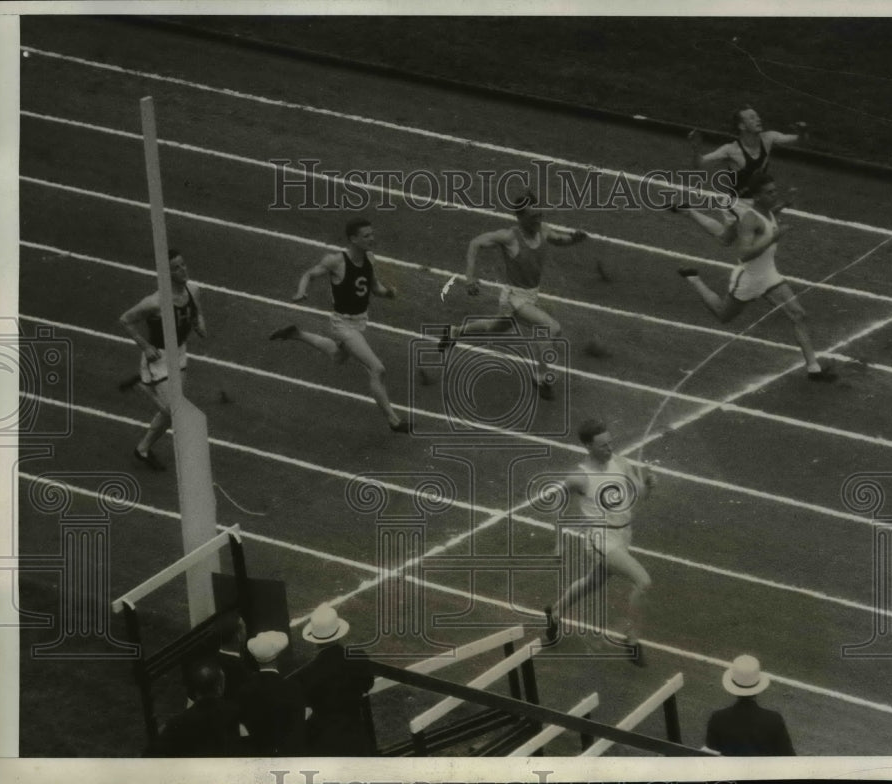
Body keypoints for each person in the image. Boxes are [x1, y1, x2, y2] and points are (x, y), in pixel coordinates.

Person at [677, 174, 836, 381]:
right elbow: (744, 253)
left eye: (775, 191)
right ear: (758, 196)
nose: (774, 195)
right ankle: (694, 279)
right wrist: (773, 238)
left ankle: (813, 369)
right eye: (769, 192)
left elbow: (769, 219)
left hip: (769, 275)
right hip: (749, 279)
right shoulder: (750, 220)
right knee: (723, 315)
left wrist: (784, 205)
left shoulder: (767, 211)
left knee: (798, 315)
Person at [438, 192, 588, 400]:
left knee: (495, 328)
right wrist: (470, 276)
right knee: (549, 327)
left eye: (540, 214)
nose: (538, 219)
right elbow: (475, 243)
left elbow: (558, 240)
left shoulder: (543, 230)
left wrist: (573, 239)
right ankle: (541, 377)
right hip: (514, 297)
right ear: (520, 217)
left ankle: (454, 332)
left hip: (529, 296)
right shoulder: (509, 237)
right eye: (533, 216)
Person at [269, 218, 409, 432]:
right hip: (342, 325)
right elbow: (310, 273)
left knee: (337, 356)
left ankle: (296, 333)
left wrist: (388, 293)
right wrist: (301, 291)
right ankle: (393, 420)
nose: (372, 238)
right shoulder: (336, 261)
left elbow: (374, 288)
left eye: (372, 234)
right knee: (377, 368)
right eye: (366, 236)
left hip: (360, 322)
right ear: (353, 239)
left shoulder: (370, 258)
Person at [543, 419, 657, 665]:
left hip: (623, 534)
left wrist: (648, 485)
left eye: (610, 443)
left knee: (594, 582)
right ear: (588, 446)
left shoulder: (622, 463)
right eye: (603, 445)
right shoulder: (579, 477)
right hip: (600, 539)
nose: (609, 448)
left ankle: (555, 612)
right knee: (643, 582)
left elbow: (639, 498)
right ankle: (632, 640)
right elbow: (557, 504)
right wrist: (559, 542)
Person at [119, 249, 206, 471]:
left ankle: (143, 449)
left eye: (183, 264)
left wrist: (199, 324)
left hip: (179, 353)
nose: (182, 270)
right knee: (175, 412)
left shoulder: (193, 290)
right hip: (159, 358)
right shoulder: (154, 302)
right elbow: (126, 320)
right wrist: (145, 346)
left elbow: (197, 313)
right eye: (176, 268)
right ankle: (142, 385)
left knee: (169, 413)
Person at [682, 107, 807, 244]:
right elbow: (699, 163)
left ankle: (688, 211)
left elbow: (797, 140)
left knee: (728, 238)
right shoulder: (731, 150)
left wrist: (801, 132)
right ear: (742, 125)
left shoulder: (768, 138)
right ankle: (689, 212)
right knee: (736, 237)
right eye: (752, 118)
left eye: (757, 116)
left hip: (756, 199)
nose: (758, 119)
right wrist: (695, 149)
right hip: (737, 204)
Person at [296, 602, 376, 756]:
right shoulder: (357, 656)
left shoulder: (306, 674)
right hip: (354, 732)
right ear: (339, 633)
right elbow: (367, 684)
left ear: (315, 641)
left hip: (323, 740)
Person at [147, 660, 244, 757]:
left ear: (195, 690)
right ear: (219, 688)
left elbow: (153, 755)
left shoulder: (178, 722)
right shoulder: (234, 712)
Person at [705, 654, 796, 756]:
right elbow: (789, 758)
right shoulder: (774, 720)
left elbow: (709, 758)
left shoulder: (717, 718)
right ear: (758, 689)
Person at [235, 630, 306, 756]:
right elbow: (298, 728)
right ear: (277, 658)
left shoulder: (244, 690)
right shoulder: (292, 688)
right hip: (287, 754)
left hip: (257, 754)